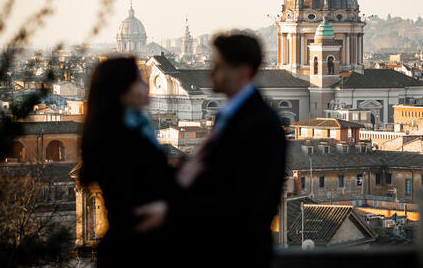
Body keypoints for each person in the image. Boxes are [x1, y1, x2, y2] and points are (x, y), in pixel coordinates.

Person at [135, 33, 287, 267]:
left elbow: (244, 200)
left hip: (240, 252)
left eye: (218, 66)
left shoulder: (260, 124)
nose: (211, 72)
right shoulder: (230, 117)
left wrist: (172, 212)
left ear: (243, 73)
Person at [79, 56, 176, 267]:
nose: (147, 85)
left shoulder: (135, 128)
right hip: (133, 251)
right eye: (140, 80)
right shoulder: (113, 138)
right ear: (122, 90)